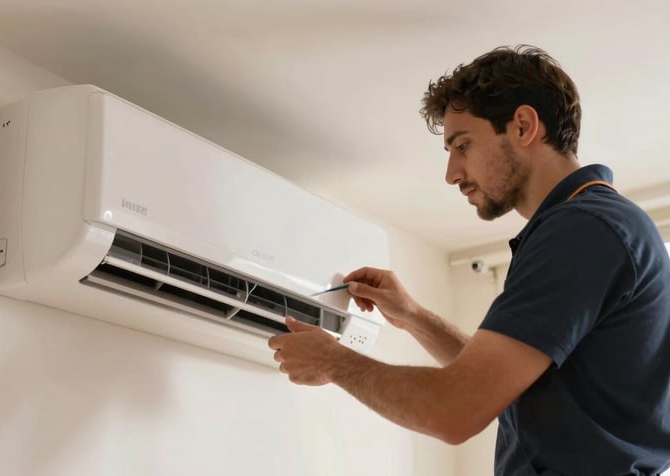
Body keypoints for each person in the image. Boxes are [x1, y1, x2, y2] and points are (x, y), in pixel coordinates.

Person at [268, 45, 670, 476]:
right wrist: (414, 316)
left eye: (462, 145)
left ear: (523, 126)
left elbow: (454, 409)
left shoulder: (583, 230)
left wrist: (334, 361)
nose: (451, 173)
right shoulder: (596, 227)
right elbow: (500, 385)